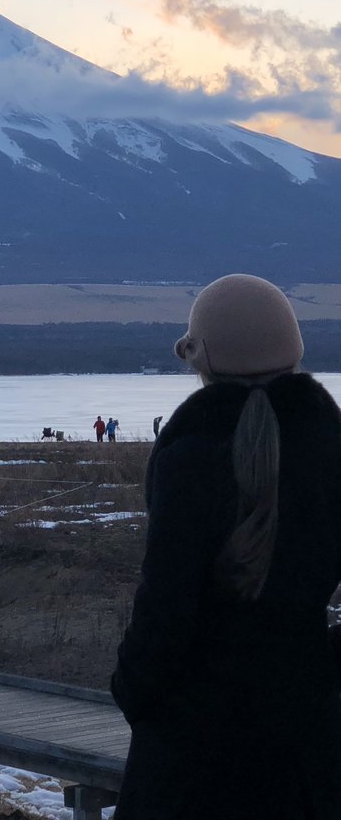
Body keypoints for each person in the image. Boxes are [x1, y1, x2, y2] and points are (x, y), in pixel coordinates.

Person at [111, 274, 341, 820]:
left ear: (202, 360)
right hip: (308, 750)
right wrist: (321, 665)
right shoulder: (330, 447)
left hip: (192, 752)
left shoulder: (190, 456)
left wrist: (136, 691)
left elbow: (164, 607)